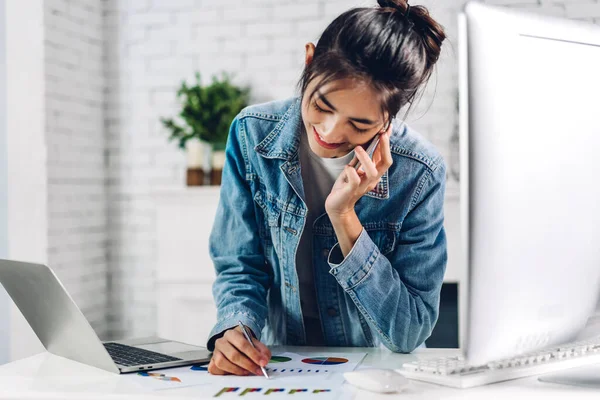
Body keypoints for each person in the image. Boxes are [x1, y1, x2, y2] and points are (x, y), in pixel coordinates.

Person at [206, 0, 448, 377]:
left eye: (360, 123)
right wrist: (236, 328)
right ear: (309, 61)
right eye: (322, 104)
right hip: (279, 367)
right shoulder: (250, 133)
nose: (331, 132)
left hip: (379, 375)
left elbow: (409, 331)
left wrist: (344, 216)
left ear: (390, 118)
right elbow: (240, 266)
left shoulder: (418, 172)